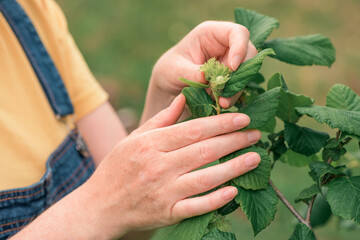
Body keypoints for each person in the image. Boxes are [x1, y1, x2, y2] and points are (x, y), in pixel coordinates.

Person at [0, 0, 260, 239]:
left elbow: (126, 218)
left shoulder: (28, 13)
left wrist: (166, 103)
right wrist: (98, 205)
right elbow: (112, 202)